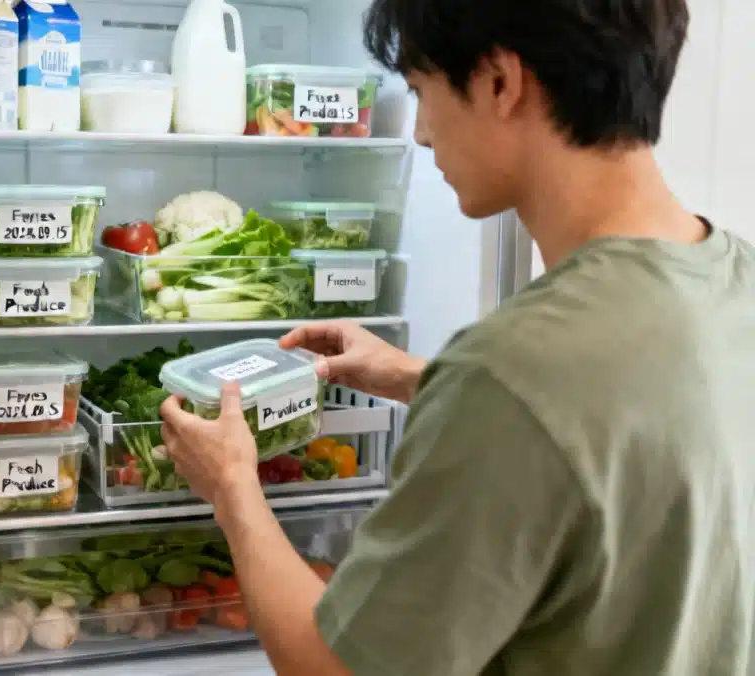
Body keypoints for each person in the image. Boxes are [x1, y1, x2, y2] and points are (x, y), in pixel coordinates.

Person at [159, 0, 755, 674]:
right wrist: (421, 379)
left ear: (501, 81)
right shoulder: (733, 282)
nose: (418, 133)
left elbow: (336, 670)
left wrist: (233, 487)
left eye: (420, 92)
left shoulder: (509, 376)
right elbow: (634, 431)